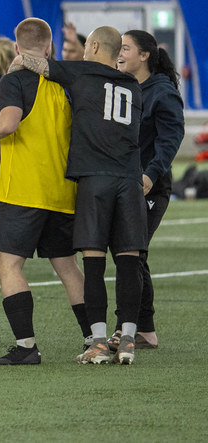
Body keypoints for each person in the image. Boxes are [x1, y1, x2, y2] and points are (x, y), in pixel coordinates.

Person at [15, 26, 145, 365]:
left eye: (86, 45)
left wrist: (17, 59)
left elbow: (38, 63)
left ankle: (99, 342)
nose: (83, 51)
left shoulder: (82, 71)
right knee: (130, 263)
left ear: (96, 46)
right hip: (129, 180)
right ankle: (128, 338)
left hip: (95, 180)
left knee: (94, 262)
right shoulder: (134, 86)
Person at [0, 18, 87, 365]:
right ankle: (95, 337)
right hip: (63, 190)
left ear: (18, 48)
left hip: (23, 191)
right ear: (49, 48)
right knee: (67, 266)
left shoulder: (14, 79)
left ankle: (27, 346)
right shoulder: (68, 82)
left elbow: (7, 124)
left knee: (7, 263)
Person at [111, 29, 184, 350]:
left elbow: (170, 140)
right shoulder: (125, 86)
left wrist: (151, 175)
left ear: (144, 56)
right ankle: (143, 329)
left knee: (133, 254)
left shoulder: (162, 92)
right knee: (131, 254)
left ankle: (135, 328)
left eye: (126, 48)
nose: (120, 53)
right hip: (124, 184)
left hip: (150, 188)